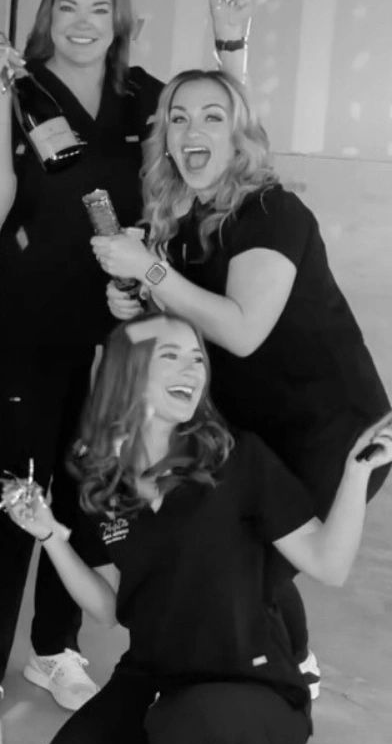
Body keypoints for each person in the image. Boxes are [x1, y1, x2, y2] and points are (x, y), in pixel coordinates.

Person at [0, 0, 249, 744]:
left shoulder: (142, 95)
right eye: (68, 8)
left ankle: (54, 647)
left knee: (91, 485)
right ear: (48, 15)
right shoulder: (20, 89)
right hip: (31, 319)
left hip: (122, 326)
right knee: (21, 486)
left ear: (120, 21)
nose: (83, 24)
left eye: (99, 10)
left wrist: (230, 45)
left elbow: (221, 128)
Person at [16, 314, 392, 744]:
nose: (191, 369)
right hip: (156, 677)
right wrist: (51, 537)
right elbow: (107, 609)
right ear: (125, 373)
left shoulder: (238, 461)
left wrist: (355, 474)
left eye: (196, 357)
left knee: (185, 725)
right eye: (169, 356)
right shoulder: (106, 483)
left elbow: (329, 563)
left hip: (255, 688)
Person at [92, 67, 390, 674]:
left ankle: (280, 678)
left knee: (253, 564)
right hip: (251, 428)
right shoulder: (180, 218)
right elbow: (185, 317)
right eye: (178, 118)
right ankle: (290, 663)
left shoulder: (273, 213)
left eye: (212, 117)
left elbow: (242, 331)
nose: (191, 130)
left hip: (329, 432)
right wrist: (137, 301)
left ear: (238, 137)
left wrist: (149, 271)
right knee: (242, 557)